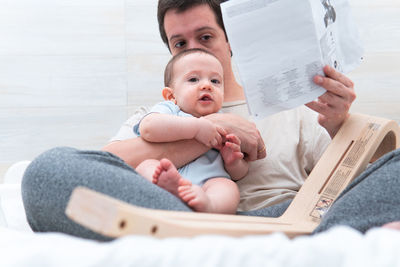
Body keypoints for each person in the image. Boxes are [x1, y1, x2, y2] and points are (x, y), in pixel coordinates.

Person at [21, 0, 400, 241]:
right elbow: (102, 167)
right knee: (47, 171)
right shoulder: (159, 113)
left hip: (285, 219)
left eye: (205, 36)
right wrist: (214, 131)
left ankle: (188, 239)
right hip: (173, 212)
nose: (195, 50)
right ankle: (190, 233)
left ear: (231, 37)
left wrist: (338, 123)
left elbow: (345, 184)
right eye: (180, 44)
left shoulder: (295, 105)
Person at [135, 48, 248, 214]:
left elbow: (240, 174)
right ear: (171, 95)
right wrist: (195, 128)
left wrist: (234, 162)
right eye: (194, 79)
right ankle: (166, 189)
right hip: (170, 172)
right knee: (146, 166)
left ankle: (209, 206)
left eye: (215, 81)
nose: (207, 85)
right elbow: (148, 128)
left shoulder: (225, 120)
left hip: (208, 183)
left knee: (228, 187)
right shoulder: (170, 109)